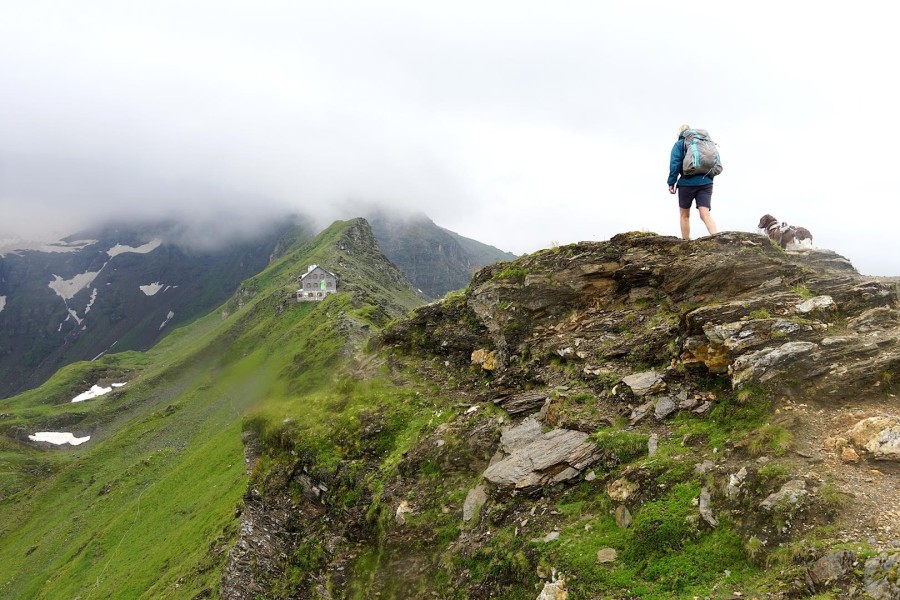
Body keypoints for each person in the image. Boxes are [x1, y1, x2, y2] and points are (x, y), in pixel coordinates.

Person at [667, 124, 718, 240]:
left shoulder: (680, 144)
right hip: (706, 182)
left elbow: (675, 164)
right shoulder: (705, 142)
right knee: (705, 214)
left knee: (684, 215)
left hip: (687, 184)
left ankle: (686, 242)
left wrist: (671, 182)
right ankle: (717, 237)